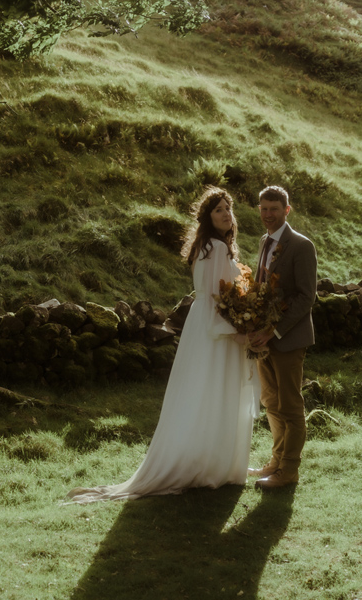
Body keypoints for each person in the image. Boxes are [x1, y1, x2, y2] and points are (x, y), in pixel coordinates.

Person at [64, 187, 260, 503]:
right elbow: (215, 302)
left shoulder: (211, 247)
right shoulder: (216, 248)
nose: (226, 214)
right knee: (215, 393)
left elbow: (219, 298)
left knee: (205, 396)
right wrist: (238, 331)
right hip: (217, 333)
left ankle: (215, 461)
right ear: (208, 219)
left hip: (207, 329)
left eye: (228, 208)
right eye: (218, 210)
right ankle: (213, 465)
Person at [247, 185, 318, 490]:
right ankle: (276, 461)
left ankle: (289, 470)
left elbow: (306, 297)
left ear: (287, 210)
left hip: (287, 338)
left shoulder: (302, 246)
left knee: (290, 405)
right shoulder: (264, 241)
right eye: (263, 209)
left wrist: (273, 331)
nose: (268, 215)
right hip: (263, 341)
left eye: (274, 209)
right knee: (271, 402)